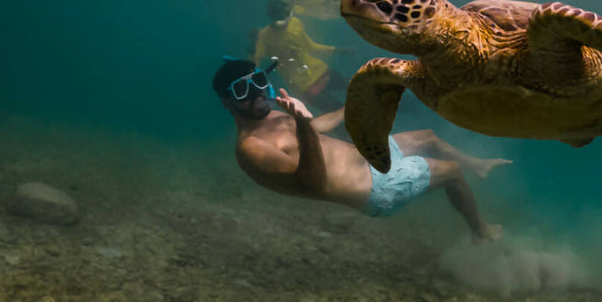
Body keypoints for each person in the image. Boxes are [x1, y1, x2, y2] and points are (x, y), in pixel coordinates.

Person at [213, 57, 509, 242]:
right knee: (452, 173)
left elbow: (316, 128)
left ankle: (477, 164)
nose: (256, 95)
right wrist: (302, 122)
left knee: (428, 137)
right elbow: (313, 184)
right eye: (243, 90)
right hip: (376, 187)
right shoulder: (251, 149)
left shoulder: (273, 114)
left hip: (367, 157)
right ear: (227, 102)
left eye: (259, 82)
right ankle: (479, 230)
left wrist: (356, 101)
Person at [248, 0, 349, 111]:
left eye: (286, 12)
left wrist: (337, 50)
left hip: (321, 72)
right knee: (337, 111)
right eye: (281, 14)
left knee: (356, 88)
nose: (285, 16)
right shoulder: (264, 36)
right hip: (304, 86)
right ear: (273, 15)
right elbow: (255, 62)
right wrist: (252, 50)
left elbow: (310, 46)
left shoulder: (295, 23)